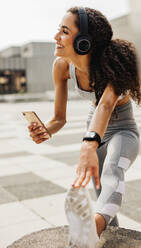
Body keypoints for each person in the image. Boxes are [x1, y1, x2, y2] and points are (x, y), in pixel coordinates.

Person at [28, 6, 141, 248]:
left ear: (83, 42)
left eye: (64, 31)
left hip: (123, 129)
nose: (56, 36)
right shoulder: (61, 67)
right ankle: (109, 238)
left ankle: (91, 229)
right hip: (95, 127)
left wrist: (88, 145)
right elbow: (59, 119)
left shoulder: (112, 67)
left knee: (113, 170)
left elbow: (106, 105)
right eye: (58, 30)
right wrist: (45, 130)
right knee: (102, 194)